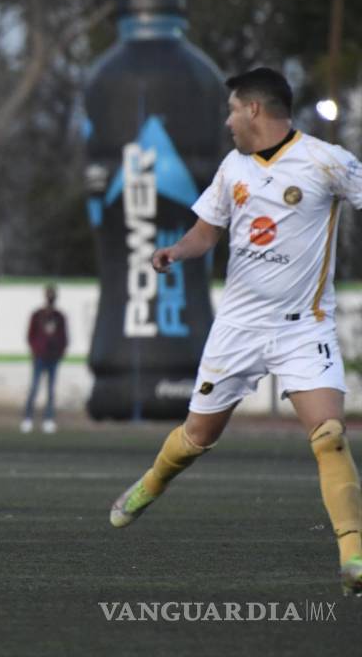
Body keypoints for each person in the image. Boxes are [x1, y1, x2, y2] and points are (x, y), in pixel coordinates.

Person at [109, 67, 362, 596]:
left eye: (231, 110)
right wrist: (176, 251)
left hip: (303, 327)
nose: (227, 121)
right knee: (198, 437)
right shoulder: (233, 167)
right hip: (238, 329)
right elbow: (207, 231)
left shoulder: (326, 162)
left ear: (253, 110)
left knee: (330, 437)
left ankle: (353, 556)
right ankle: (150, 484)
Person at [20, 284, 67, 434]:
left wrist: (60, 352)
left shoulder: (59, 317)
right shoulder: (37, 315)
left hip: (53, 357)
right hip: (39, 357)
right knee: (34, 388)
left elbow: (64, 337)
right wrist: (36, 350)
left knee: (51, 390)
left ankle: (49, 420)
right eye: (48, 294)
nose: (50, 298)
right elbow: (30, 335)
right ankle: (27, 419)